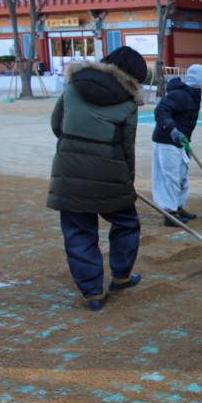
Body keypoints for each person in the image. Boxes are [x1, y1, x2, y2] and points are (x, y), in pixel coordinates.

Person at [46, 46, 149, 311]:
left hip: (69, 170)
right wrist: (127, 181)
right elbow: (127, 147)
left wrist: (75, 147)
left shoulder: (72, 88)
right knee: (126, 222)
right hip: (110, 169)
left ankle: (92, 294)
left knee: (78, 230)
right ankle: (121, 276)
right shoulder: (128, 102)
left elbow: (57, 125)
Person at [151, 64, 202, 226]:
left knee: (182, 177)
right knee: (171, 177)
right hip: (168, 140)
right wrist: (172, 130)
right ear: (199, 83)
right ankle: (169, 213)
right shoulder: (181, 95)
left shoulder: (192, 96)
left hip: (181, 142)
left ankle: (177, 207)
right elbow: (160, 111)